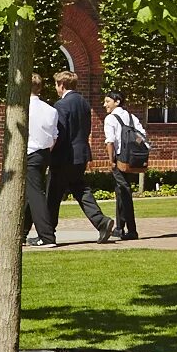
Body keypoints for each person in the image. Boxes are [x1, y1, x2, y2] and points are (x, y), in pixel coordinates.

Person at [51, 71, 116, 243]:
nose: (56, 88)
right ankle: (101, 221)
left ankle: (48, 233)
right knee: (81, 190)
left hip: (65, 156)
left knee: (53, 195)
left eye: (56, 85)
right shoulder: (84, 103)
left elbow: (61, 133)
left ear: (62, 85)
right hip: (81, 154)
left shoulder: (61, 105)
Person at [102, 88, 149, 241]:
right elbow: (142, 136)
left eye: (108, 101)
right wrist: (132, 147)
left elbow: (109, 142)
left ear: (117, 102)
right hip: (131, 159)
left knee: (125, 192)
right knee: (121, 191)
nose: (105, 105)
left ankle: (132, 230)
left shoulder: (110, 119)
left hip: (119, 159)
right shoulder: (131, 117)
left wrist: (111, 161)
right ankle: (119, 228)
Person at [24, 77, 62, 247]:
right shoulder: (51, 110)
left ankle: (47, 236)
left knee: (35, 194)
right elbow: (54, 137)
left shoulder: (22, 108)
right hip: (44, 153)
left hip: (30, 152)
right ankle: (22, 232)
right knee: (31, 193)